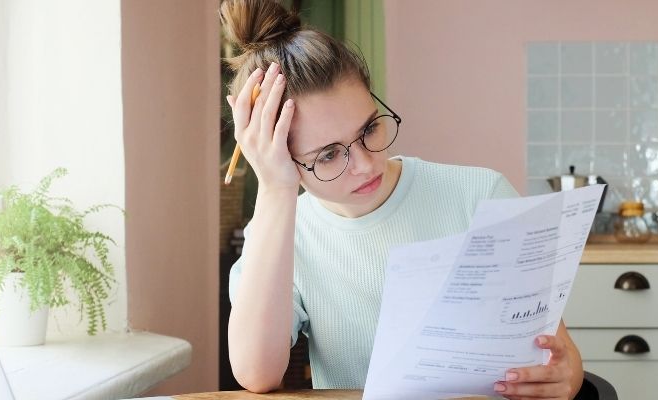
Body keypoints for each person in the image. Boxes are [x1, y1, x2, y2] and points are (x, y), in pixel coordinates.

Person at [221, 0, 584, 398]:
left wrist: (568, 373)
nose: (364, 164)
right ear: (281, 159)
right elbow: (256, 374)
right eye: (327, 155)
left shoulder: (481, 196)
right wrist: (275, 190)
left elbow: (554, 350)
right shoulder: (278, 235)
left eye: (370, 129)